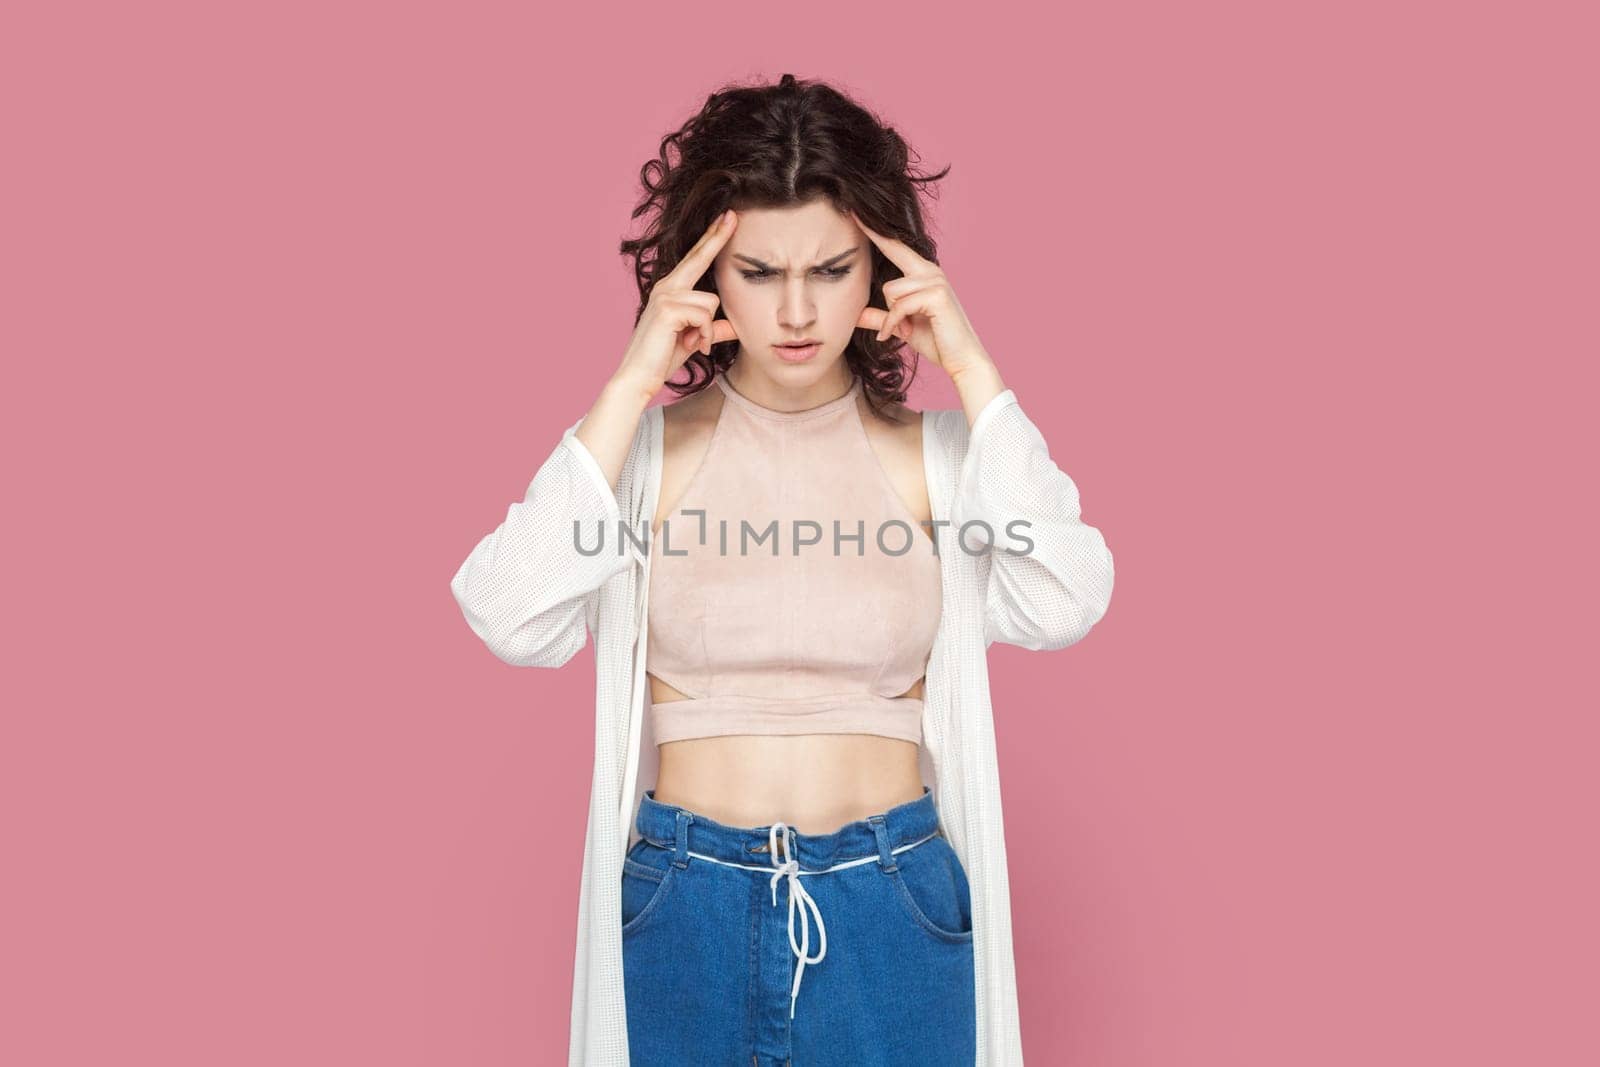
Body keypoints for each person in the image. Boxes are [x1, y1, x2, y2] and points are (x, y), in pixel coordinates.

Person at [450, 73, 1115, 1066]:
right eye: (758, 272)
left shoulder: (938, 462)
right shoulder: (642, 465)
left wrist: (975, 372)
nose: (797, 310)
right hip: (686, 903)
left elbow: (1069, 592)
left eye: (832, 268)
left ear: (883, 270)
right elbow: (507, 611)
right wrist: (628, 387)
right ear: (705, 274)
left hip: (894, 902)